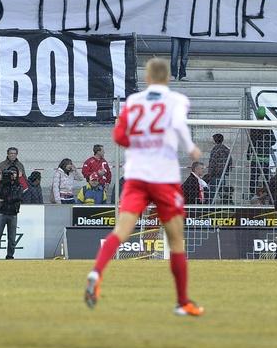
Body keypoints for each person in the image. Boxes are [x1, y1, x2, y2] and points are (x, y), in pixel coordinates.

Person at [85, 57, 204, 316]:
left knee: (121, 231)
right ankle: (182, 301)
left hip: (136, 177)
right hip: (164, 178)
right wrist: (191, 148)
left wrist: (140, 144)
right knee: (176, 240)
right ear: (168, 78)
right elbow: (178, 125)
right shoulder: (177, 100)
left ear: (147, 79)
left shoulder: (133, 102)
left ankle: (96, 272)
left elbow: (118, 136)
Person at [0, 166, 23, 259]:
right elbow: (0, 194)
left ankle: (10, 256)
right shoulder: (2, 184)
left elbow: (18, 197)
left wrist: (6, 199)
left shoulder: (19, 186)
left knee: (12, 239)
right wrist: (1, 181)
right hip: (2, 213)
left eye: (14, 173)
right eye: (11, 173)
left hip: (13, 213)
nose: (12, 175)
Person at [206, 133, 232, 201]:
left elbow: (212, 162)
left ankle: (210, 206)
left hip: (215, 174)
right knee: (222, 191)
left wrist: (210, 174)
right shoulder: (226, 149)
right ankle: (225, 203)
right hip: (222, 174)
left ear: (215, 140)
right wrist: (226, 171)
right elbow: (230, 160)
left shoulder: (215, 149)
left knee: (212, 192)